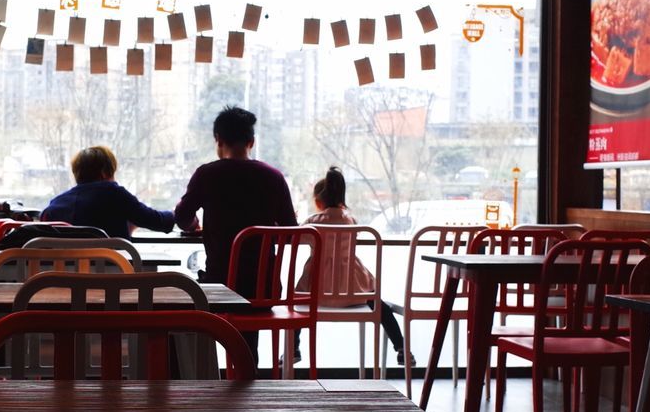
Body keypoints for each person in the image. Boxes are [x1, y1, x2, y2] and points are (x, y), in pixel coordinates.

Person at [174, 107, 297, 358]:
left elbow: (181, 216)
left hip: (221, 287)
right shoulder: (273, 177)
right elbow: (290, 230)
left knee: (187, 299)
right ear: (252, 142)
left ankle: (208, 375)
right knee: (248, 305)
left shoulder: (207, 174)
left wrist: (195, 225)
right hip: (265, 290)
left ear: (218, 139)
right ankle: (247, 369)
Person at [294, 167, 414, 366]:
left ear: (318, 202)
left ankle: (293, 348)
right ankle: (401, 347)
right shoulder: (352, 222)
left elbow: (296, 239)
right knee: (378, 302)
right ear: (342, 198)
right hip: (352, 292)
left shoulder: (312, 223)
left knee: (293, 302)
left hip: (316, 293)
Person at [40, 145, 175, 239]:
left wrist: (126, 229)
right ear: (105, 172)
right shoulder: (114, 194)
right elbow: (156, 221)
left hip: (63, 278)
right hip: (111, 276)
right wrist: (177, 213)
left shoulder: (55, 205)